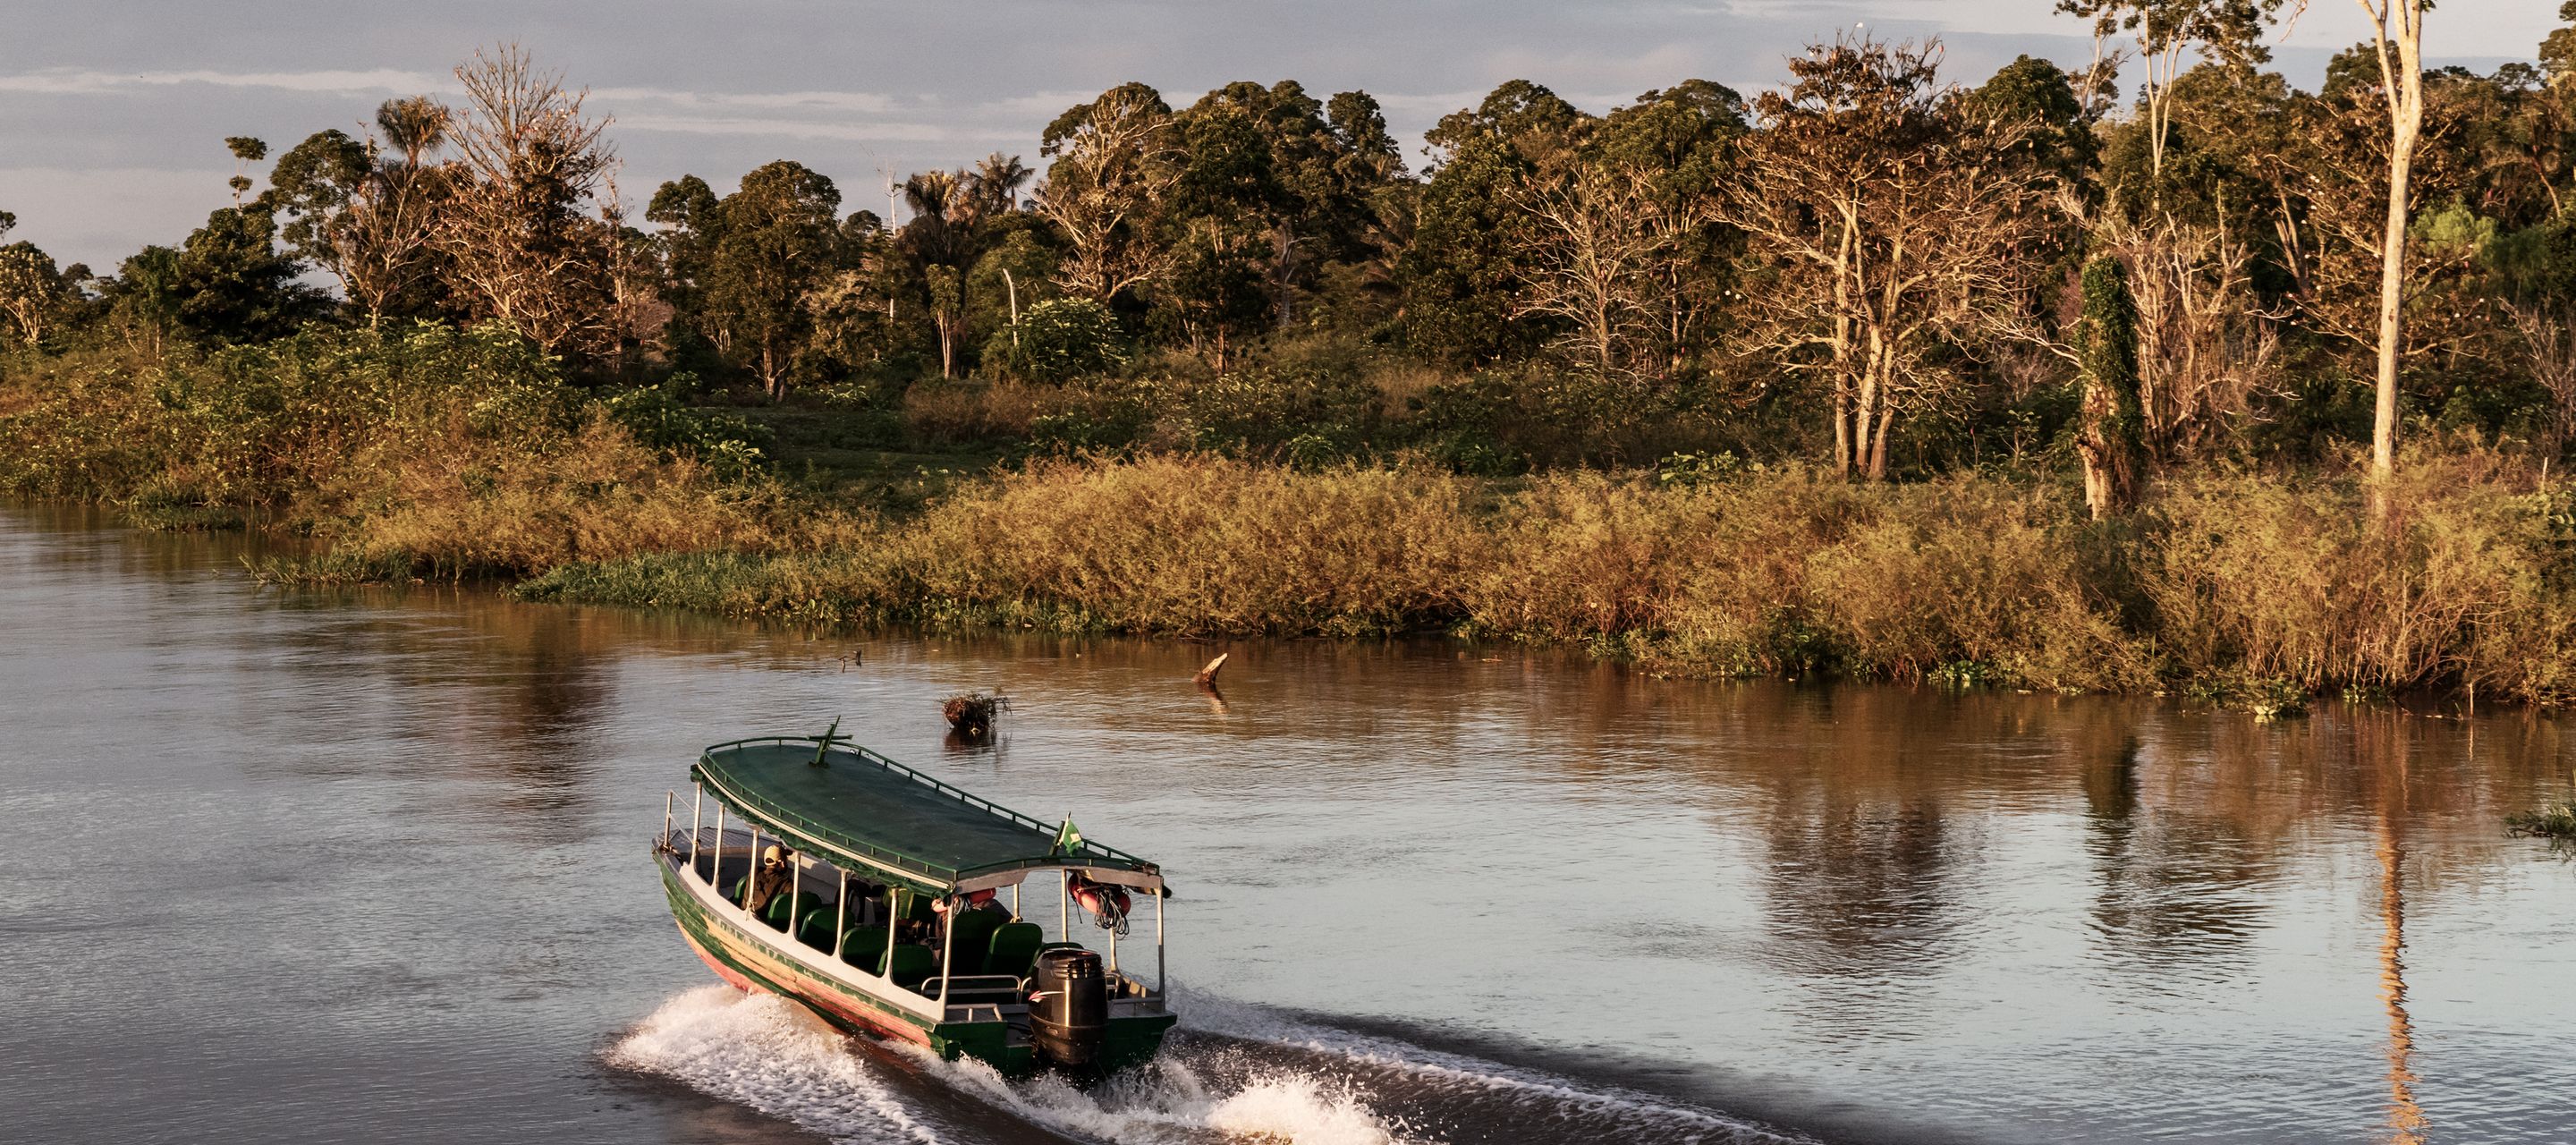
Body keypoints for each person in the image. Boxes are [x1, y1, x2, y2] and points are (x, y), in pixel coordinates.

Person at [746, 844, 794, 913]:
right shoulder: (786, 883)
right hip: (762, 921)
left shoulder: (754, 872)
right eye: (786, 859)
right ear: (782, 863)